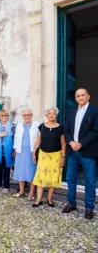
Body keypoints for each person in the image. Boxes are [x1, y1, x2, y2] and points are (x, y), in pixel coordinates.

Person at [63, 88, 98, 220]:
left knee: (89, 181)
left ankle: (89, 208)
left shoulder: (95, 111)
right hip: (72, 151)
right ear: (76, 98)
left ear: (88, 96)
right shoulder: (72, 112)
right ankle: (71, 203)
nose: (81, 97)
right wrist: (71, 142)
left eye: (83, 95)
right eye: (78, 96)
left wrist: (81, 143)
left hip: (86, 151)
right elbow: (66, 131)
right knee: (71, 178)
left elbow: (96, 130)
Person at [32, 107, 66, 207]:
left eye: (53, 113)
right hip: (43, 155)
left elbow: (63, 144)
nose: (51, 115)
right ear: (46, 115)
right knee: (40, 177)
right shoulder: (42, 127)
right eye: (49, 113)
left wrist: (63, 157)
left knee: (53, 177)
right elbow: (38, 141)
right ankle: (38, 199)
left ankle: (49, 199)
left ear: (56, 115)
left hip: (56, 156)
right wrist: (34, 153)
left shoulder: (61, 128)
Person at [13, 108, 40, 199]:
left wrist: (35, 152)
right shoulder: (19, 125)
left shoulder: (37, 125)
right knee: (21, 171)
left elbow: (39, 139)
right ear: (22, 116)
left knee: (31, 172)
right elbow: (16, 138)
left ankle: (31, 193)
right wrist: (15, 149)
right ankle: (21, 191)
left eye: (28, 115)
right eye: (24, 115)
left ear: (31, 115)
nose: (26, 117)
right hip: (20, 152)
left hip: (31, 152)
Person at [0, 110, 15, 193]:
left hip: (8, 151)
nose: (4, 117)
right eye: (2, 116)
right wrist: (1, 135)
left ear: (8, 116)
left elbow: (15, 139)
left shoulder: (12, 126)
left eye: (5, 115)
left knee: (7, 169)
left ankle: (6, 186)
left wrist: (14, 150)